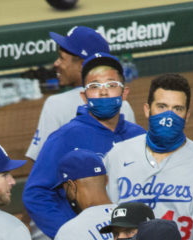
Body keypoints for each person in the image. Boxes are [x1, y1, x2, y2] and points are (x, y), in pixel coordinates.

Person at [104, 73, 193, 240]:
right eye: (162, 107)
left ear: (187, 116)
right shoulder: (118, 156)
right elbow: (102, 218)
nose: (168, 116)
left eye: (177, 109)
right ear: (147, 110)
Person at [25, 52, 145, 238]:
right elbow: (35, 194)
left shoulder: (139, 136)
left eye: (112, 85)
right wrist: (72, 233)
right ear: (83, 96)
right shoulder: (65, 137)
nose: (104, 92)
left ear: (124, 93)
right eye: (95, 86)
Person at [27, 26, 136, 161]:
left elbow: (40, 160)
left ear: (82, 66)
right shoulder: (124, 105)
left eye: (61, 58)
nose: (56, 63)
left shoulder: (56, 105)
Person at [49, 149, 117, 240]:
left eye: (64, 189)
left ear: (71, 186)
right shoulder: (134, 218)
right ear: (106, 179)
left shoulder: (71, 232)